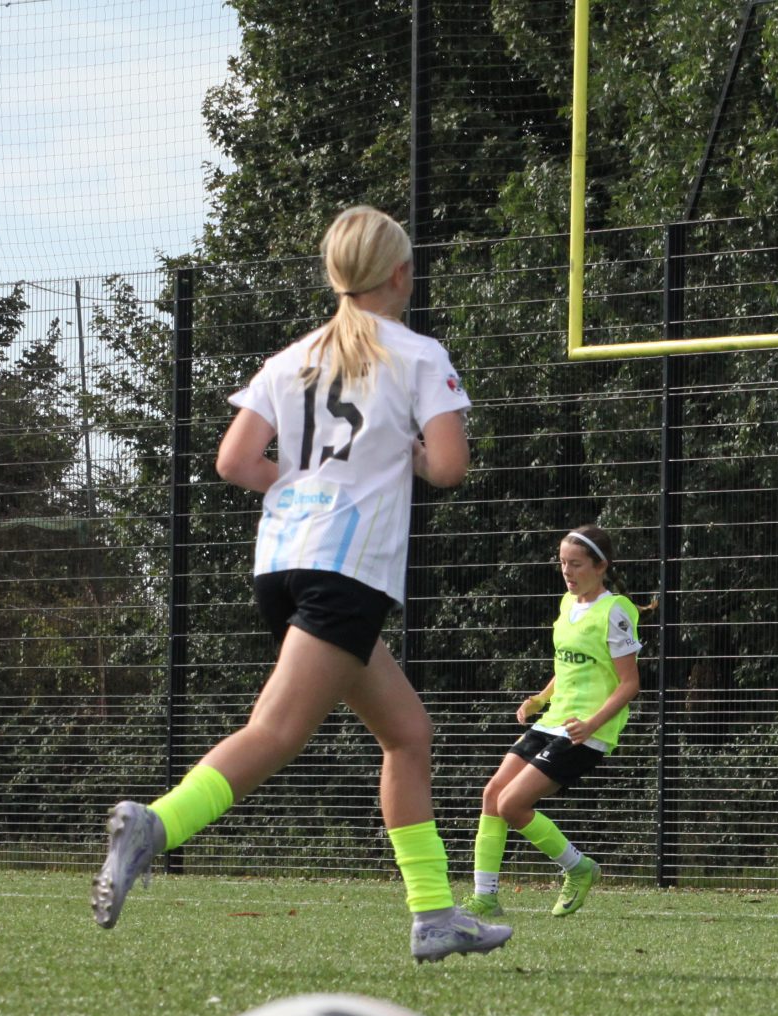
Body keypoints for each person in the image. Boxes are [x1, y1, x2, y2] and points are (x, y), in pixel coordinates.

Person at [91, 206, 508, 962]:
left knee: (408, 734)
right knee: (276, 733)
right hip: (344, 573)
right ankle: (155, 823)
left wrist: (307, 482)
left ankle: (436, 915)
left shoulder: (290, 359)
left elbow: (233, 461)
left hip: (280, 563)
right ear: (399, 274)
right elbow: (448, 466)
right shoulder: (417, 354)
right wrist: (399, 458)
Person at [468, 525, 641, 920]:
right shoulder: (568, 603)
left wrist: (592, 723)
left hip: (588, 730)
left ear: (601, 566)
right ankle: (485, 897)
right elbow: (568, 665)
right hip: (553, 719)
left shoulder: (615, 612)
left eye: (576, 564)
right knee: (493, 794)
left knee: (513, 804)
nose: (567, 571)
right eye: (563, 562)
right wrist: (540, 699)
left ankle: (578, 868)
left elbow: (629, 684)